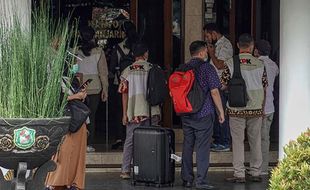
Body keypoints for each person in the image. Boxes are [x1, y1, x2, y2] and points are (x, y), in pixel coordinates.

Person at [221, 34, 268, 183]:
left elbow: (222, 85)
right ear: (252, 46)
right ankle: (255, 172)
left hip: (236, 109)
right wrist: (262, 107)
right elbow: (265, 87)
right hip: (255, 108)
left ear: (237, 45)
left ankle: (239, 174)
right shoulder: (260, 64)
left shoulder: (230, 63)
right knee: (256, 141)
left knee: (237, 141)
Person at [181, 41, 225, 190]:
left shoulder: (183, 68)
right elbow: (214, 91)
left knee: (188, 146)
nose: (207, 54)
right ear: (201, 53)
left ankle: (187, 179)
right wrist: (221, 111)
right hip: (204, 113)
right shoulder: (207, 68)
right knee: (202, 147)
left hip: (186, 113)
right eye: (206, 52)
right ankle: (201, 181)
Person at [118, 43, 161, 179]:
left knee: (130, 140)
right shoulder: (153, 68)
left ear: (133, 55)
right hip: (151, 110)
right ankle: (149, 169)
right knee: (151, 141)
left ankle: (125, 170)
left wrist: (125, 113)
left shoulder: (128, 71)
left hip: (134, 111)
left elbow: (123, 93)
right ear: (146, 54)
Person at [45, 64, 88, 190]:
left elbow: (79, 101)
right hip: (63, 122)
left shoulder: (73, 80)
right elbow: (55, 100)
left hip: (78, 121)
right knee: (63, 151)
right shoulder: (54, 81)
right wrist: (76, 96)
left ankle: (74, 181)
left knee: (78, 152)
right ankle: (56, 181)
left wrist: (82, 95)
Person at [77, 26, 109, 152]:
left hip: (79, 88)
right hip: (95, 87)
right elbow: (103, 72)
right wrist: (105, 89)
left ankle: (79, 143)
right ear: (93, 37)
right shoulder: (99, 51)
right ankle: (89, 144)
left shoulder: (75, 51)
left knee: (79, 116)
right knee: (92, 116)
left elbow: (72, 71)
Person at [203, 23, 233, 152]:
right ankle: (217, 140)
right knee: (216, 114)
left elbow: (220, 65)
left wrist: (211, 54)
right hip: (213, 85)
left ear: (214, 33)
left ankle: (224, 141)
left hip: (221, 86)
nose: (207, 38)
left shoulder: (225, 45)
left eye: (208, 35)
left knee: (222, 113)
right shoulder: (216, 45)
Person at [109, 21, 139, 150]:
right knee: (136, 109)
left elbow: (112, 67)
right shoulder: (139, 46)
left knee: (120, 110)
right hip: (138, 84)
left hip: (120, 82)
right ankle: (136, 137)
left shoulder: (119, 47)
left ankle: (120, 137)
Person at [254, 39, 279, 175]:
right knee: (265, 138)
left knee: (259, 139)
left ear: (257, 50)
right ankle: (262, 167)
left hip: (261, 107)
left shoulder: (258, 64)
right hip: (271, 106)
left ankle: (260, 168)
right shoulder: (274, 65)